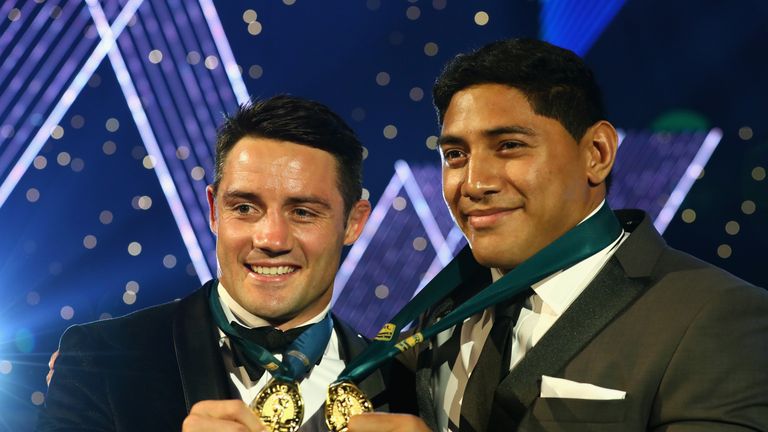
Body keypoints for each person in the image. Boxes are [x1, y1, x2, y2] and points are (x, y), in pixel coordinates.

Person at [348, 38, 768, 431]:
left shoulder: (718, 317)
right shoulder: (443, 308)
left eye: (509, 145)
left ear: (597, 153)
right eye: (456, 155)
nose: (474, 183)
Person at [37, 95, 414, 432]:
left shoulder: (404, 384)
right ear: (215, 211)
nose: (270, 240)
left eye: (302, 212)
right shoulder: (103, 358)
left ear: (353, 223)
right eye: (245, 208)